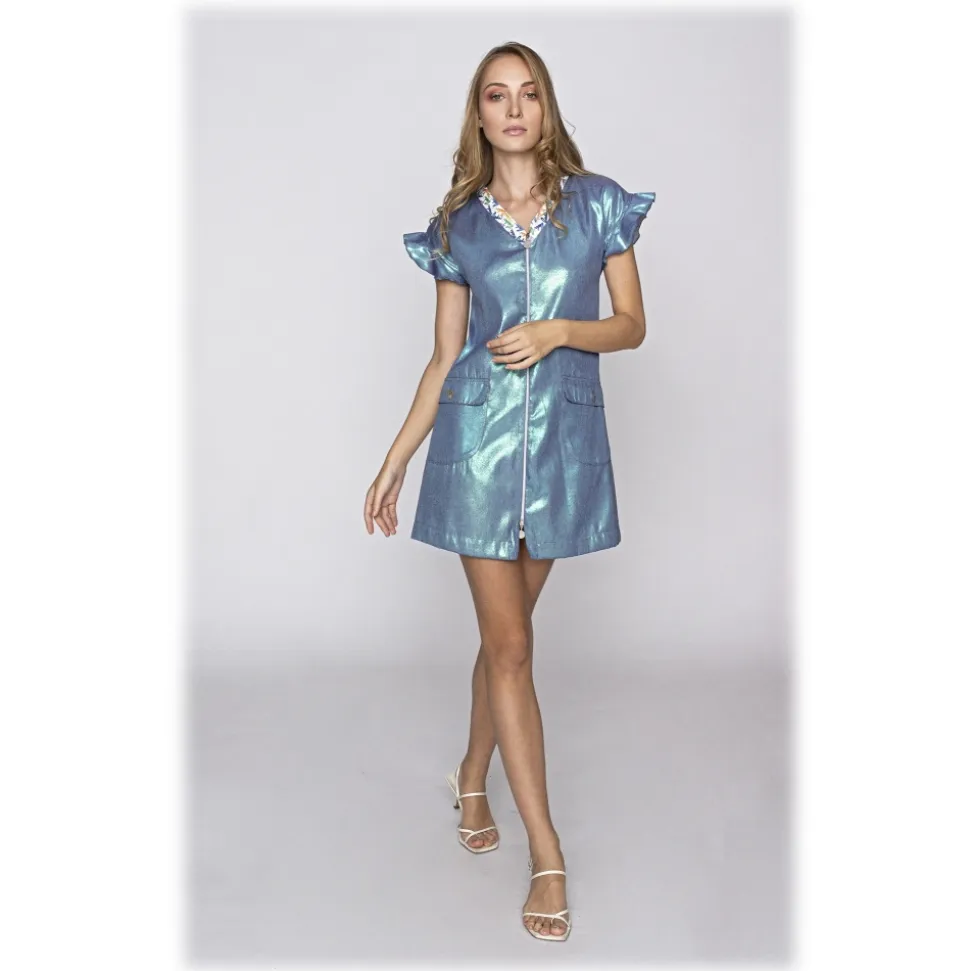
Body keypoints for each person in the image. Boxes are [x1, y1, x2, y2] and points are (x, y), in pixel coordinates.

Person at [364, 41, 656, 942]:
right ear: (480, 115)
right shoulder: (457, 226)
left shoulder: (599, 204)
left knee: (506, 640)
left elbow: (632, 326)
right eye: (497, 96)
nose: (515, 109)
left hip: (562, 452)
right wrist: (395, 460)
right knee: (515, 648)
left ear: (546, 106)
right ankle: (548, 854)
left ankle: (469, 771)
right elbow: (443, 357)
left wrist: (560, 330)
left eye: (528, 93)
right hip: (478, 454)